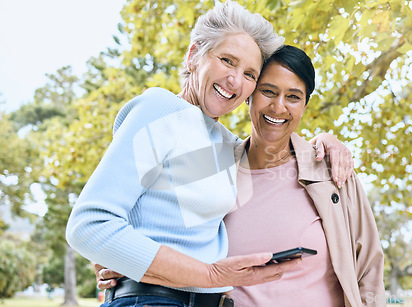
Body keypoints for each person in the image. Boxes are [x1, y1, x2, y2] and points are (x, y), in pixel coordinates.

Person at [66, 2, 353, 307]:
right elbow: (90, 224)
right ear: (193, 56)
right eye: (227, 60)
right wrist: (210, 275)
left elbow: (169, 214)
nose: (235, 81)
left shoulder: (225, 145)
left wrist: (325, 141)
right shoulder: (160, 109)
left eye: (249, 74)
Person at [96, 45, 386, 306]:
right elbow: (148, 208)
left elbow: (369, 269)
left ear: (305, 106)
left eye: (293, 97)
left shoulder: (332, 173)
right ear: (249, 95)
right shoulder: (212, 165)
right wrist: (127, 257)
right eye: (268, 91)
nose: (278, 107)